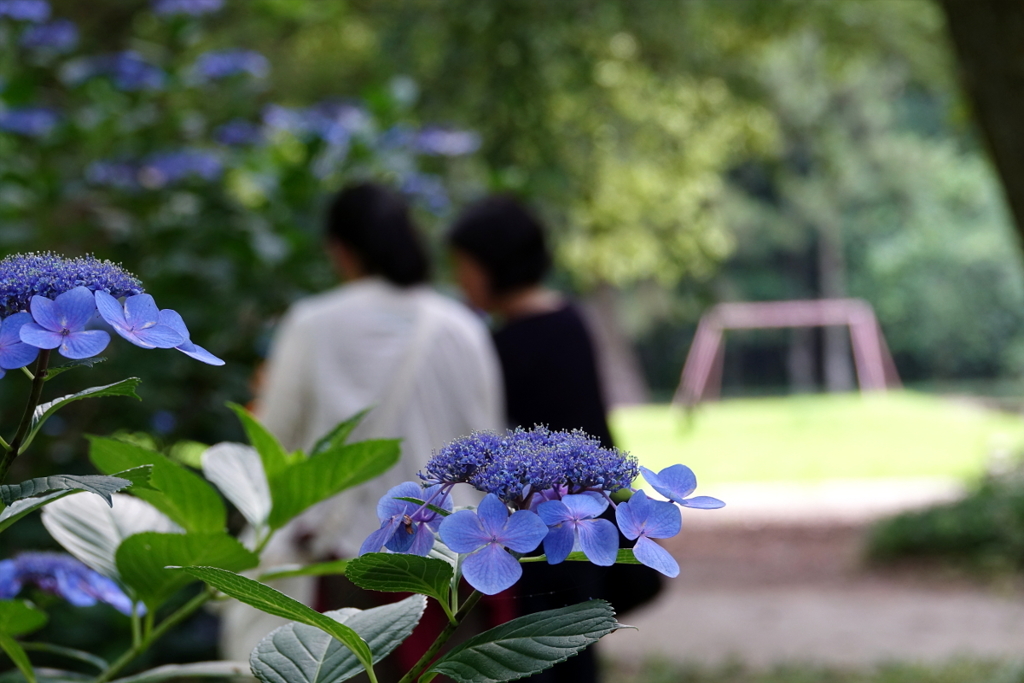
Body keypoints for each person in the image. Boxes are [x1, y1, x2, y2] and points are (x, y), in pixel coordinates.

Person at [220, 182, 504, 662]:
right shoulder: (464, 327)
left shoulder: (312, 323)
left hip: (346, 569)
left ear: (341, 249)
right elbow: (492, 449)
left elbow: (271, 442)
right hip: (450, 570)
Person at [447, 195, 662, 683]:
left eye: (463, 265)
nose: (460, 279)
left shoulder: (500, 345)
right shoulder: (571, 321)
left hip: (534, 527)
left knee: (538, 653)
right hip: (589, 514)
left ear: (491, 265)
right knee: (573, 648)